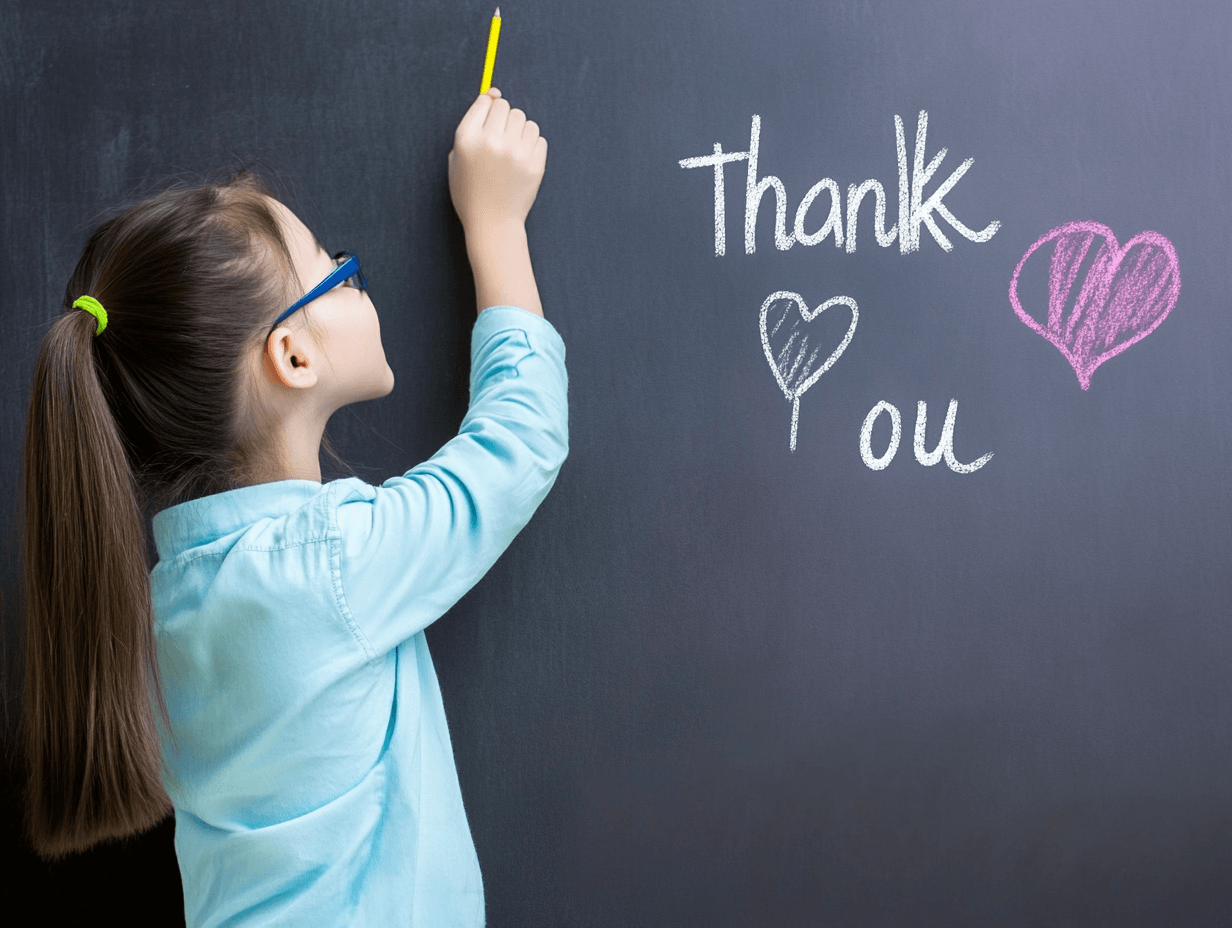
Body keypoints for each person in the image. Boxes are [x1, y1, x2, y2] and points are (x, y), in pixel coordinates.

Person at [19, 86, 566, 927]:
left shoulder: (158, 615)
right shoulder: (332, 563)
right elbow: (519, 444)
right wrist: (494, 224)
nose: (357, 281)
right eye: (339, 274)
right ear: (293, 354)